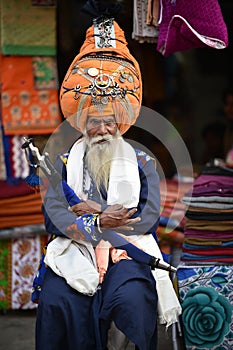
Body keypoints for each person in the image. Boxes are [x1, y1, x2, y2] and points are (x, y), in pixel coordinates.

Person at [35, 9, 181, 350]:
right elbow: (53, 218)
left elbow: (147, 217)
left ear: (121, 122)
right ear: (82, 123)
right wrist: (99, 220)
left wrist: (100, 225)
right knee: (57, 298)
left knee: (132, 298)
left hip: (125, 253)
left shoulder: (142, 161)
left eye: (109, 121)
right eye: (94, 121)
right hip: (74, 250)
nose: (102, 129)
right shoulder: (63, 163)